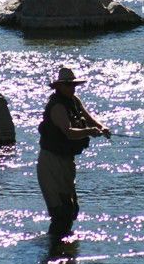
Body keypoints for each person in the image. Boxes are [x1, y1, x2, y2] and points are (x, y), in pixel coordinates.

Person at [37, 67, 111, 243]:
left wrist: (102, 127)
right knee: (60, 212)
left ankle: (65, 254)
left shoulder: (74, 101)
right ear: (59, 86)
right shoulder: (56, 107)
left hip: (66, 161)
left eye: (73, 85)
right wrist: (90, 131)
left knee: (71, 209)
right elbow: (69, 132)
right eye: (68, 85)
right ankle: (54, 252)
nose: (72, 88)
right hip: (50, 162)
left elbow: (89, 118)